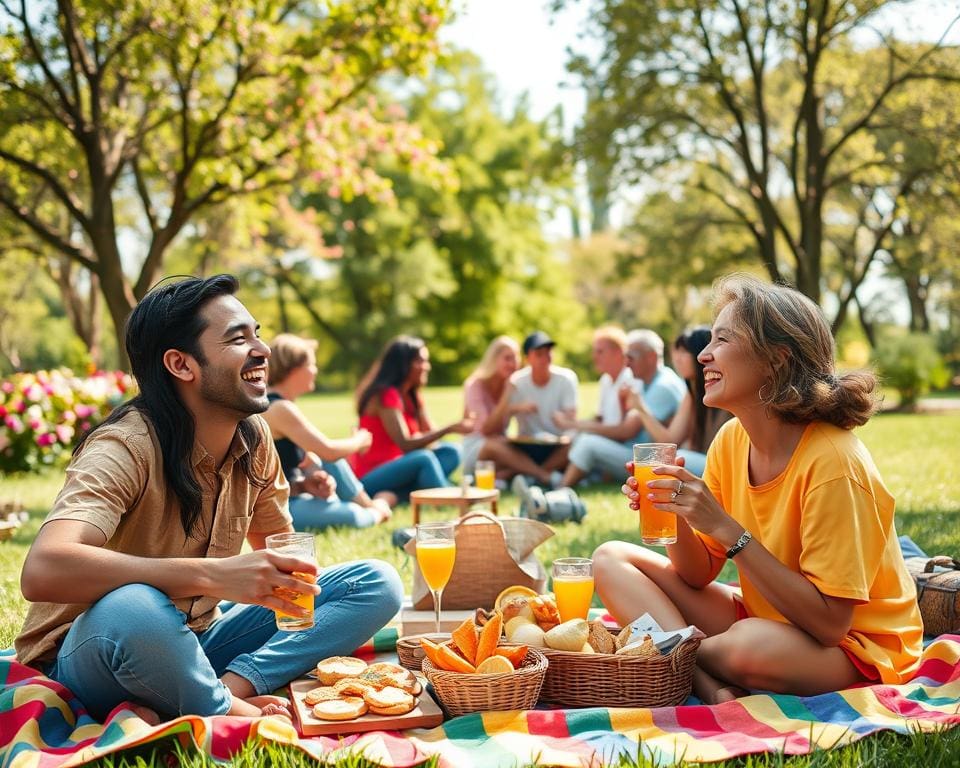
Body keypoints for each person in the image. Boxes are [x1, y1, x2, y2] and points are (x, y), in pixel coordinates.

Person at [15, 275, 403, 723]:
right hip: (93, 654)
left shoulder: (253, 439)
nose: (262, 350)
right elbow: (44, 569)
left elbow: (284, 566)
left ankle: (226, 689)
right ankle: (227, 710)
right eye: (239, 339)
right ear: (182, 365)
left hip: (196, 638)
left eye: (257, 334)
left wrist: (282, 578)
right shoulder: (124, 446)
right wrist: (215, 575)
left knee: (374, 582)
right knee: (135, 607)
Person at [596, 275, 923, 704]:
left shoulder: (833, 463)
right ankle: (695, 671)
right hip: (766, 616)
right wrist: (674, 511)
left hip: (854, 648)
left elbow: (829, 625)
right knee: (608, 559)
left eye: (723, 339)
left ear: (775, 359)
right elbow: (698, 574)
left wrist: (730, 531)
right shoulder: (732, 441)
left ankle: (669, 658)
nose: (703, 355)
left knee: (747, 644)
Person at [262, 333, 392, 530]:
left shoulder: (280, 405)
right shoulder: (279, 409)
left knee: (332, 471)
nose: (315, 371)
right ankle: (375, 511)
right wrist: (359, 440)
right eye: (311, 365)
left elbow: (311, 458)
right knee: (352, 515)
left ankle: (368, 505)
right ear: (295, 369)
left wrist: (313, 478)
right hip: (280, 508)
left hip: (295, 496)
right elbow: (329, 450)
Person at [557, 328, 686, 488]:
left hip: (650, 460)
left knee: (587, 444)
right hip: (642, 455)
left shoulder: (663, 386)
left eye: (631, 357)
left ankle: (558, 489)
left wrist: (575, 424)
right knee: (582, 440)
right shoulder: (649, 382)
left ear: (651, 357)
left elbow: (626, 431)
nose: (626, 363)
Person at [351, 336, 473, 499]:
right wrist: (449, 428)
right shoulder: (386, 394)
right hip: (373, 474)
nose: (426, 367)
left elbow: (431, 437)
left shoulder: (412, 395)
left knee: (452, 452)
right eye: (420, 361)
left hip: (402, 466)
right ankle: (452, 498)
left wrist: (431, 434)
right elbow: (405, 444)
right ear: (402, 364)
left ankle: (405, 494)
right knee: (423, 459)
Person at [621, 326, 732, 477]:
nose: (677, 359)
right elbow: (673, 440)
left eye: (685, 352)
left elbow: (668, 442)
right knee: (659, 460)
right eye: (676, 352)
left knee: (669, 460)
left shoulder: (723, 387)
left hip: (721, 466)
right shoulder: (692, 391)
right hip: (702, 461)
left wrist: (640, 408)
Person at [460, 336, 558, 487]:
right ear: (493, 359)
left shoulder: (513, 384)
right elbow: (486, 429)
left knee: (521, 450)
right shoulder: (475, 385)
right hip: (478, 447)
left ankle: (502, 476)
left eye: (515, 358)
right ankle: (542, 475)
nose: (513, 364)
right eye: (507, 358)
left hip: (500, 446)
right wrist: (508, 399)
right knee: (494, 445)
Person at [493, 331, 578, 482]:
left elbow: (572, 417)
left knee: (579, 441)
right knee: (497, 444)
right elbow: (502, 421)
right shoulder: (517, 381)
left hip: (558, 445)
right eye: (539, 354)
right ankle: (544, 474)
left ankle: (528, 474)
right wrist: (518, 408)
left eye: (548, 353)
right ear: (528, 359)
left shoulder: (566, 378)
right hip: (527, 446)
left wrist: (563, 418)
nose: (545, 358)